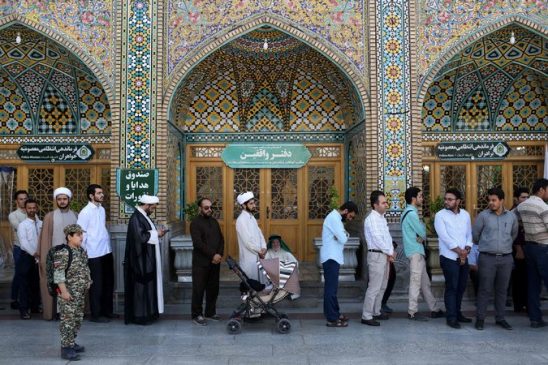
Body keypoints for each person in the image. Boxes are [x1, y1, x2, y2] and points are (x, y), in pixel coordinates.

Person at [473, 187, 518, 331]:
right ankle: (480, 319)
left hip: (506, 259)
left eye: (494, 200)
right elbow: (475, 236)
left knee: (502, 290)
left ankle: (500, 318)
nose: (491, 203)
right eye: (489, 200)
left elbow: (513, 235)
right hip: (487, 258)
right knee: (484, 289)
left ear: (502, 201)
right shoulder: (483, 216)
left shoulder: (511, 217)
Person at [401, 187, 444, 321]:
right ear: (414, 198)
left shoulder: (409, 212)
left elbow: (421, 234)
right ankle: (412, 311)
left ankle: (434, 308)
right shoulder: (411, 214)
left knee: (425, 283)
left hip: (417, 251)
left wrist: (421, 235)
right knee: (415, 282)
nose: (422, 198)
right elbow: (423, 232)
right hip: (415, 252)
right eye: (420, 196)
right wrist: (422, 233)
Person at [124, 195, 167, 325]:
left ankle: (149, 313)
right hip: (139, 261)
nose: (153, 209)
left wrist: (157, 233)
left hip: (146, 260)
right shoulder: (136, 218)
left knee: (148, 286)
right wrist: (157, 234)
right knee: (140, 288)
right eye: (153, 207)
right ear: (147, 205)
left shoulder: (143, 216)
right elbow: (140, 237)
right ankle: (140, 316)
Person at [434, 188, 473, 329]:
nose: (446, 201)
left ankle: (458, 313)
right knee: (452, 287)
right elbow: (444, 237)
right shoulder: (440, 215)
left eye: (450, 199)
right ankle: (451, 317)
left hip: (463, 257)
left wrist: (466, 249)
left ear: (458, 201)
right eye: (446, 199)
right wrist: (459, 251)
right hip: (449, 257)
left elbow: (469, 234)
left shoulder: (466, 215)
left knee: (461, 287)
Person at [77, 184, 116, 323]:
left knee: (108, 283)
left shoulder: (102, 210)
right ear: (91, 196)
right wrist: (85, 252)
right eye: (99, 193)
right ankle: (96, 314)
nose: (102, 195)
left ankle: (107, 311)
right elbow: (80, 234)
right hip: (93, 254)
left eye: (102, 192)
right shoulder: (85, 212)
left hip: (106, 250)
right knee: (97, 285)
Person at [38, 187, 78, 320]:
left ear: (69, 200)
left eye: (64, 199)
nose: (62, 201)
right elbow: (45, 238)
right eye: (59, 199)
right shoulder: (49, 216)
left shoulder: (76, 215)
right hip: (56, 258)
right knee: (57, 284)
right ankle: (56, 312)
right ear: (56, 200)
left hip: (72, 257)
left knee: (71, 284)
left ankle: (69, 312)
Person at [55, 224, 91, 361]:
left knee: (77, 319)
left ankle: (72, 342)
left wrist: (88, 281)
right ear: (69, 237)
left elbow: (85, 268)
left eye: (82, 234)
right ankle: (66, 348)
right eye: (78, 234)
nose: (81, 237)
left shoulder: (81, 251)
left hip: (79, 293)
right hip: (68, 293)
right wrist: (63, 292)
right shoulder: (63, 252)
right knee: (67, 320)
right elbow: (58, 274)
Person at [517, 178, 548, 328]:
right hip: (544, 249)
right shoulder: (543, 207)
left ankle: (535, 319)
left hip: (529, 248)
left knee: (533, 285)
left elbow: (513, 219)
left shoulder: (522, 205)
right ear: (541, 190)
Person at [321, 201, 358, 327]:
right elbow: (343, 239)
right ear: (346, 211)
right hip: (331, 258)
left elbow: (343, 236)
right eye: (351, 216)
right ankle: (332, 318)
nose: (350, 219)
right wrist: (343, 235)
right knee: (331, 289)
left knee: (332, 288)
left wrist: (343, 234)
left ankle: (334, 314)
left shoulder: (336, 218)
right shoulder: (334, 218)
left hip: (333, 257)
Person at [189, 198, 224, 326]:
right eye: (206, 208)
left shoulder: (214, 222)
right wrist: (212, 255)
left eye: (210, 207)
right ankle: (196, 314)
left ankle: (210, 312)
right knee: (199, 289)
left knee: (213, 288)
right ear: (200, 208)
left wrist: (219, 254)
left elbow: (221, 239)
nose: (210, 210)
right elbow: (198, 243)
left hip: (215, 262)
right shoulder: (195, 223)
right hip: (201, 262)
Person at [361, 191, 394, 327]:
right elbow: (377, 238)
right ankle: (366, 315)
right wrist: (389, 251)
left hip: (385, 255)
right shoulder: (371, 219)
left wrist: (390, 251)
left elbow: (387, 237)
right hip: (376, 255)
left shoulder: (382, 218)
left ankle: (376, 311)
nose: (386, 205)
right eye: (383, 203)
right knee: (374, 287)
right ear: (375, 205)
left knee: (382, 286)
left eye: (386, 202)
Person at [16, 198, 42, 319]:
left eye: (34, 208)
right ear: (25, 209)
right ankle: (24, 310)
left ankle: (35, 307)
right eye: (29, 208)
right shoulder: (23, 225)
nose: (32, 210)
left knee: (36, 283)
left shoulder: (41, 224)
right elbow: (24, 243)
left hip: (38, 258)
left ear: (37, 208)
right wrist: (35, 253)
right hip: (26, 257)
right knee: (24, 285)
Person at [235, 192, 267, 282]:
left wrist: (264, 247)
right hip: (249, 259)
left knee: (260, 285)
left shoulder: (251, 217)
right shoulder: (241, 220)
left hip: (258, 255)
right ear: (244, 205)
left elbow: (259, 233)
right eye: (251, 204)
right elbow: (247, 241)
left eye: (254, 203)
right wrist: (259, 250)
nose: (254, 205)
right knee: (250, 284)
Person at [8, 190, 28, 310]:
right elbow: (20, 227)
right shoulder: (13, 215)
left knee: (29, 275)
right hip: (19, 248)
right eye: (21, 199)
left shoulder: (32, 212)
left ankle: (28, 299)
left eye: (25, 198)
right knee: (19, 274)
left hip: (31, 249)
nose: (23, 201)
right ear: (17, 201)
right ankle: (15, 299)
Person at [511, 187, 529, 313]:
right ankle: (519, 304)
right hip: (518, 250)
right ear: (516, 199)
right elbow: (514, 234)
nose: (526, 200)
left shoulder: (529, 211)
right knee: (519, 278)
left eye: (528, 197)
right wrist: (519, 249)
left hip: (529, 248)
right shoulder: (514, 213)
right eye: (523, 197)